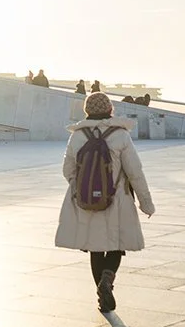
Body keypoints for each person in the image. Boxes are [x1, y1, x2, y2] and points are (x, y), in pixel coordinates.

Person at [55, 92, 155, 314]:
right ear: (110, 110)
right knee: (116, 245)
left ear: (87, 110)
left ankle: (101, 295)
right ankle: (108, 279)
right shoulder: (120, 135)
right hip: (117, 199)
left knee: (95, 249)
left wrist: (82, 185)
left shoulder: (78, 136)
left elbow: (67, 170)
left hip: (88, 201)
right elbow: (135, 172)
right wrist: (146, 203)